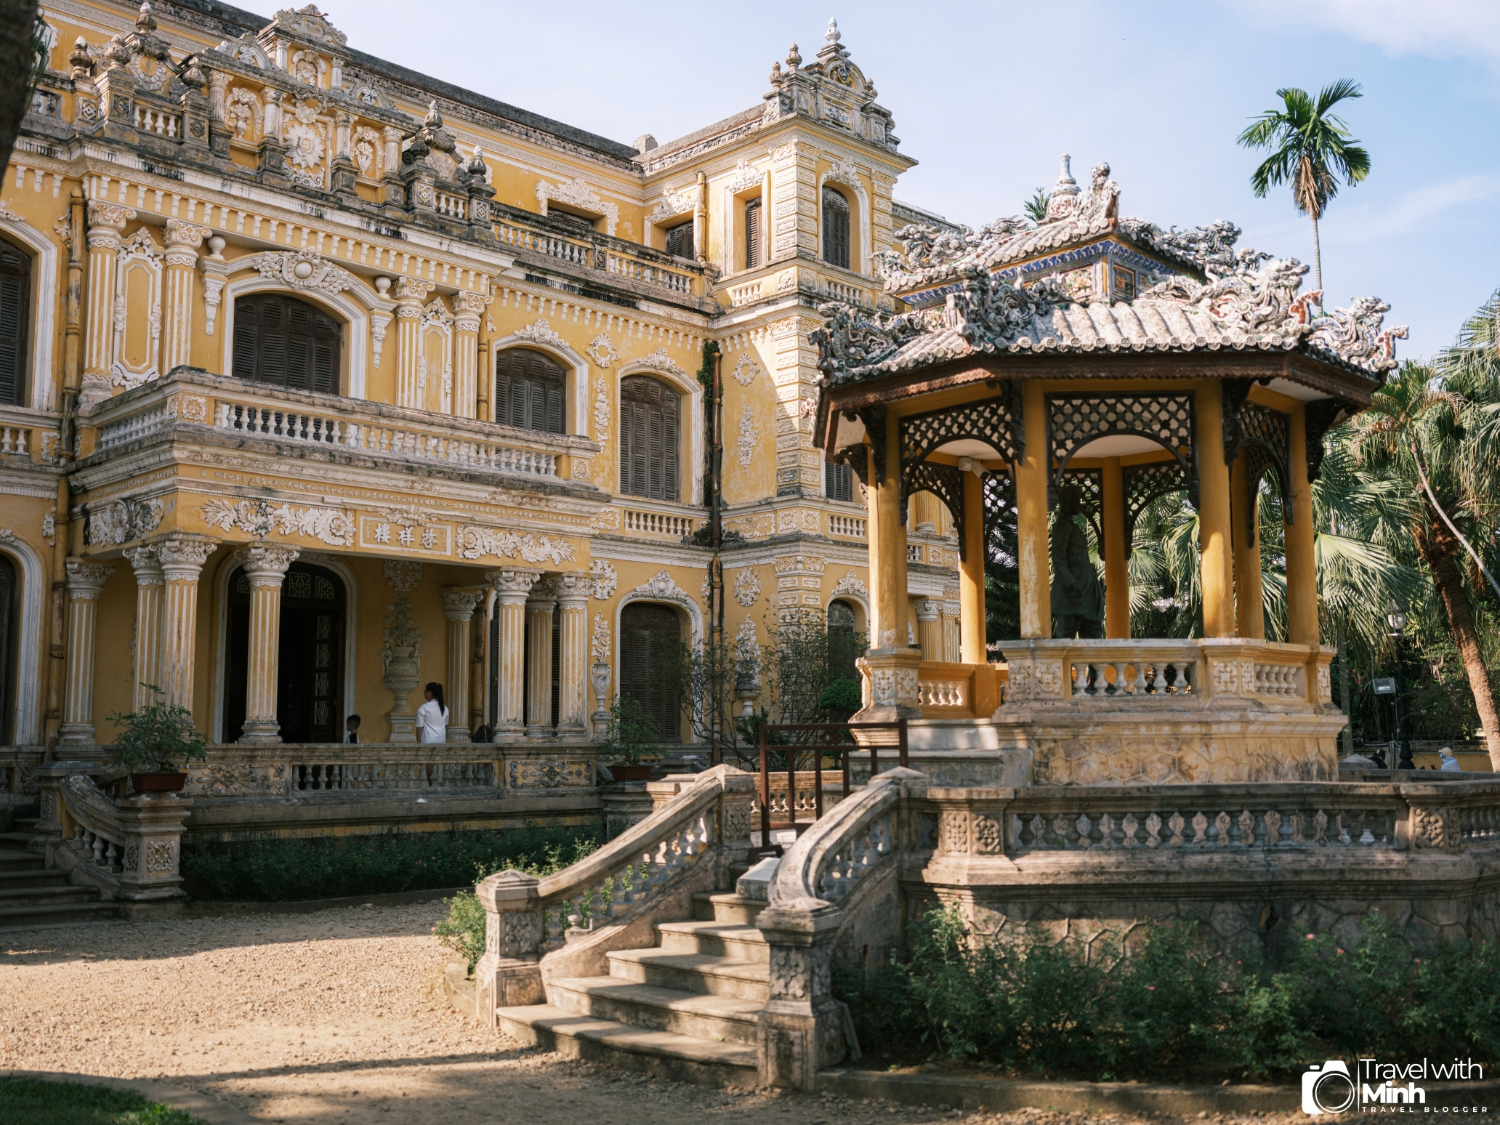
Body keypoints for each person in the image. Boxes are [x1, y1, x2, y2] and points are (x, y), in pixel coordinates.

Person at [1050, 485, 1105, 639]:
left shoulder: (1073, 527)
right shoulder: (1062, 527)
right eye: (1076, 501)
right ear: (1065, 502)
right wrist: (1071, 584)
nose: (1079, 504)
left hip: (1088, 592)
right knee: (1065, 640)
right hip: (1071, 595)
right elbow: (1058, 559)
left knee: (1094, 637)